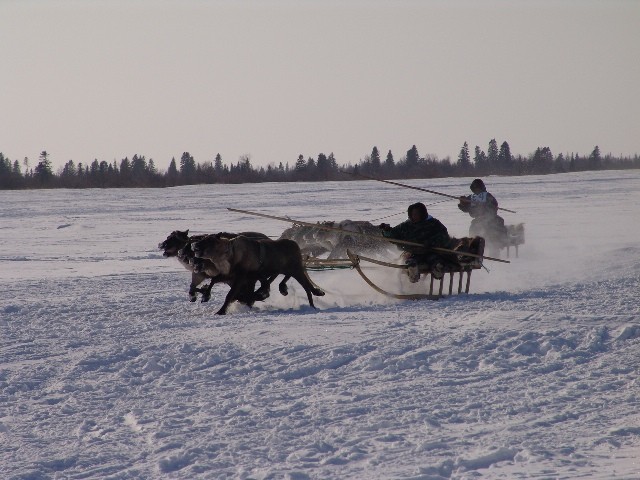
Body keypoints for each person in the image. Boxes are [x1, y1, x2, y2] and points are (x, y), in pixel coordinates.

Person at [379, 202, 450, 282]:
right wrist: (387, 230)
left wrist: (432, 242)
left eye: (417, 214)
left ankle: (438, 271)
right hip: (413, 253)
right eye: (412, 214)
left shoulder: (434, 223)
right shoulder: (406, 225)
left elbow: (444, 237)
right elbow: (394, 235)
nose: (414, 216)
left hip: (432, 252)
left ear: (423, 213)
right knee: (411, 263)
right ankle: (413, 276)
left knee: (437, 262)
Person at [458, 179, 507, 253]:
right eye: (475, 188)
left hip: (490, 219)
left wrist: (485, 207)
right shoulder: (472, 197)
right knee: (474, 231)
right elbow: (465, 208)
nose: (476, 190)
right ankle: (474, 248)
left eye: (477, 188)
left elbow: (494, 206)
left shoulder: (486, 196)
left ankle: (498, 244)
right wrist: (462, 203)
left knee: (498, 225)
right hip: (480, 219)